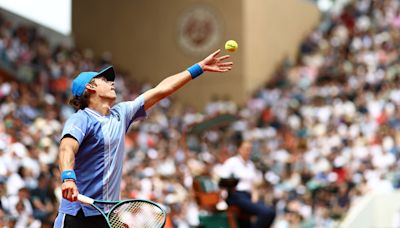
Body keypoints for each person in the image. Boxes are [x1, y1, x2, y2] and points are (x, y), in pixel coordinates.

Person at [53, 49, 232, 227]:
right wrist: (68, 178)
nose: (111, 82)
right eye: (104, 80)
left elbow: (162, 89)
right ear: (90, 87)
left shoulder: (121, 113)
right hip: (77, 214)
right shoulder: (81, 118)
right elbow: (66, 148)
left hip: (106, 216)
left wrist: (198, 68)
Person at [219, 136, 276, 228]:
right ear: (239, 149)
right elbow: (222, 179)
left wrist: (255, 194)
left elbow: (253, 183)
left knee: (271, 212)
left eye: (250, 149)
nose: (248, 151)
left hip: (248, 196)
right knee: (266, 213)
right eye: (246, 149)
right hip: (236, 195)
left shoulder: (250, 164)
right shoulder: (232, 162)